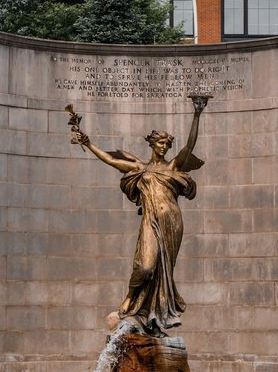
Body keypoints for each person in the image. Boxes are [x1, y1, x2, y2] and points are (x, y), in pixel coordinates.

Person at [72, 96, 208, 337]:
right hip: (150, 221)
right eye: (160, 142)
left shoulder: (173, 167)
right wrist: (89, 143)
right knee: (145, 266)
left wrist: (197, 113)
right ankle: (131, 298)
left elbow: (190, 145)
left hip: (171, 223)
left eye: (167, 143)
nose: (164, 146)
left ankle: (155, 315)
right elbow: (112, 160)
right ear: (152, 144)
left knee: (162, 269)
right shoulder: (141, 169)